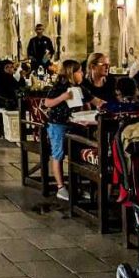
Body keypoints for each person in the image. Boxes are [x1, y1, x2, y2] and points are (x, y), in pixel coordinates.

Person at [43, 59, 86, 202]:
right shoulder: (60, 86)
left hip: (73, 123)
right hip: (58, 124)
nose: (82, 74)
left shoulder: (78, 86)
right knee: (58, 153)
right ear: (71, 73)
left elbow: (91, 99)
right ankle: (61, 187)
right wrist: (63, 97)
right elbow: (47, 103)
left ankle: (77, 186)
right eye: (79, 71)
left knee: (76, 153)